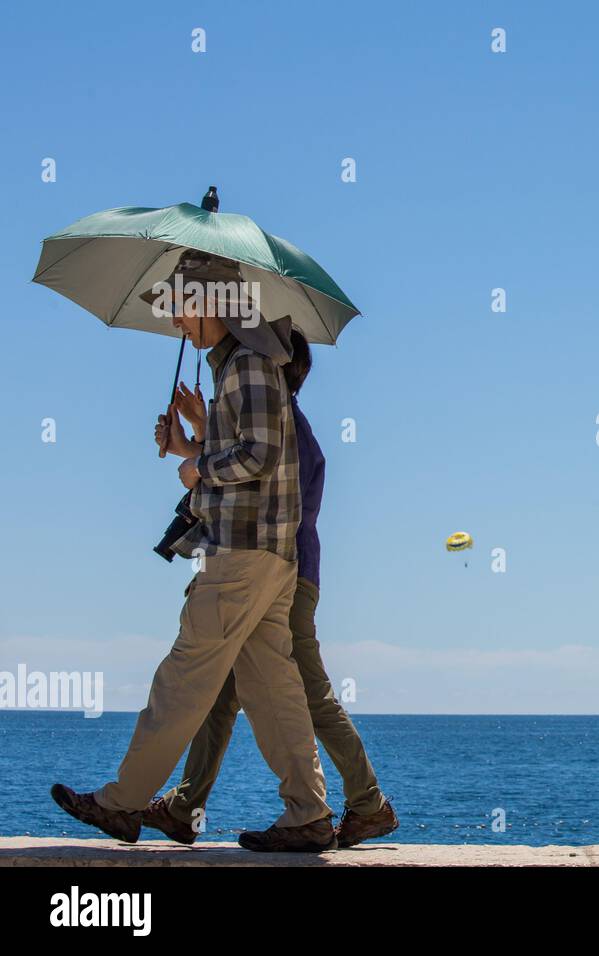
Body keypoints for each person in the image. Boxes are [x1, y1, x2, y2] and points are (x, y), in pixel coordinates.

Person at [50, 250, 335, 852]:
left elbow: (255, 455)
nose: (178, 322)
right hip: (269, 555)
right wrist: (191, 443)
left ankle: (122, 804)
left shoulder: (247, 366)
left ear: (211, 306)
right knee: (270, 686)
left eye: (182, 308)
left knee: (182, 679)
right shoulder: (248, 364)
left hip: (240, 554)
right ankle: (309, 815)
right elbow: (256, 454)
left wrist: (196, 465)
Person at [144, 328, 399, 848]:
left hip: (284, 576)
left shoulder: (289, 431)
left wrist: (192, 450)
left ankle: (368, 804)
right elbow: (238, 461)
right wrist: (198, 431)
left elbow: (250, 485)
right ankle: (184, 807)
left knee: (307, 689)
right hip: (282, 573)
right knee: (221, 693)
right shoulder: (289, 426)